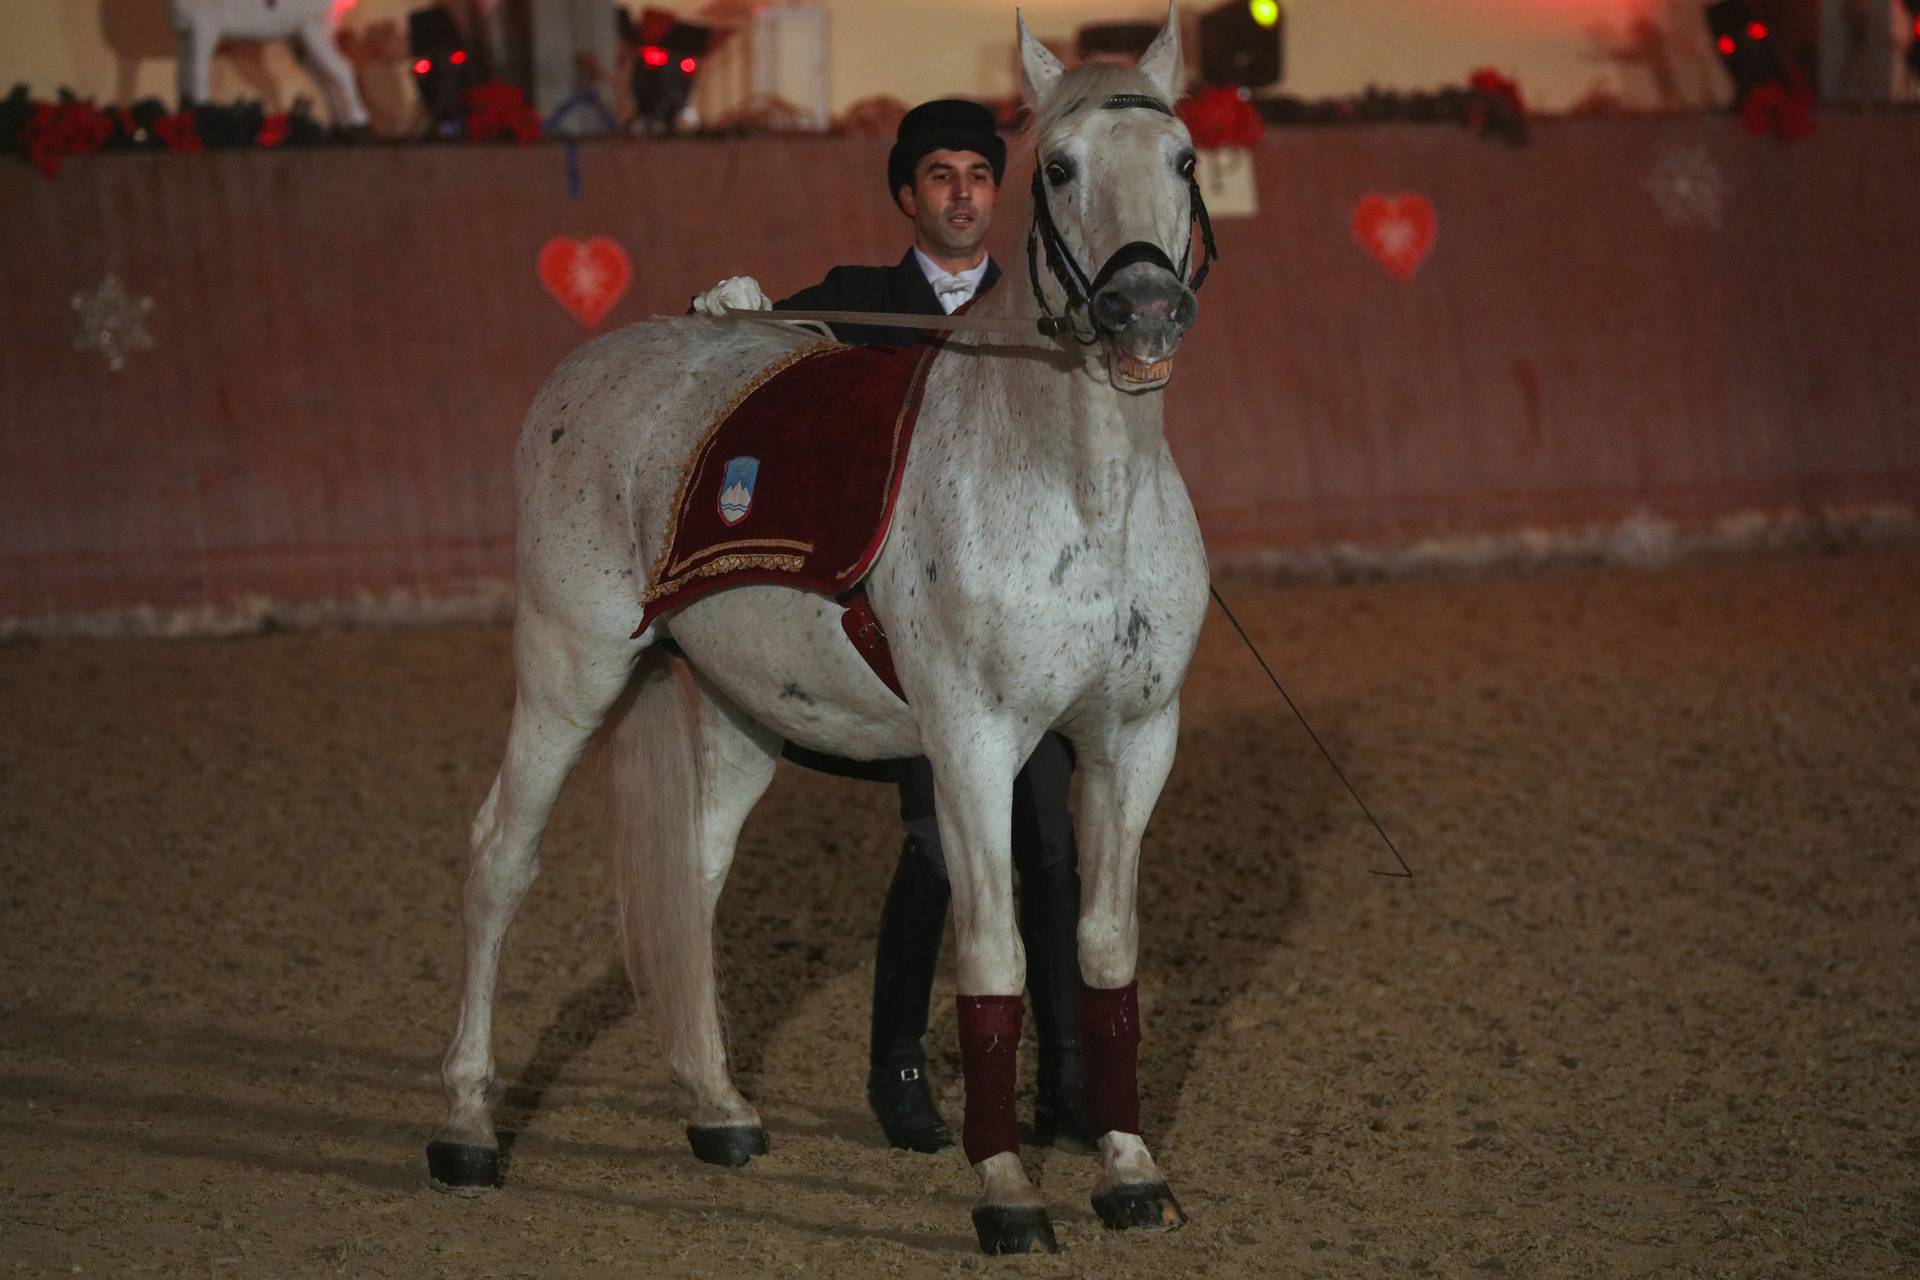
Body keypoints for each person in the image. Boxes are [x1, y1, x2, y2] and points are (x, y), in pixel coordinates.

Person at [691, 99, 1089, 1155]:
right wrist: (738, 309)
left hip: (1027, 635)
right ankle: (896, 1063)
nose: (963, 191)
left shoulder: (1041, 309)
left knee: (1049, 840)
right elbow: (764, 355)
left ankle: (1070, 1074)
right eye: (941, 175)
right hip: (904, 638)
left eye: (977, 174)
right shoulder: (860, 301)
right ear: (908, 197)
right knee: (940, 845)